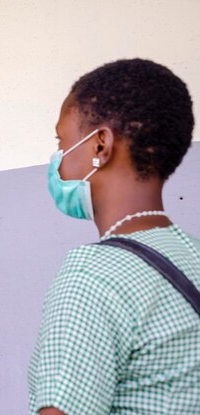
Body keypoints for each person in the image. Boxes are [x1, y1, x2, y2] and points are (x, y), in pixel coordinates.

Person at [28, 59, 200, 414]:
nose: (58, 160)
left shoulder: (91, 279)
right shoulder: (192, 253)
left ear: (100, 145)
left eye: (62, 141)